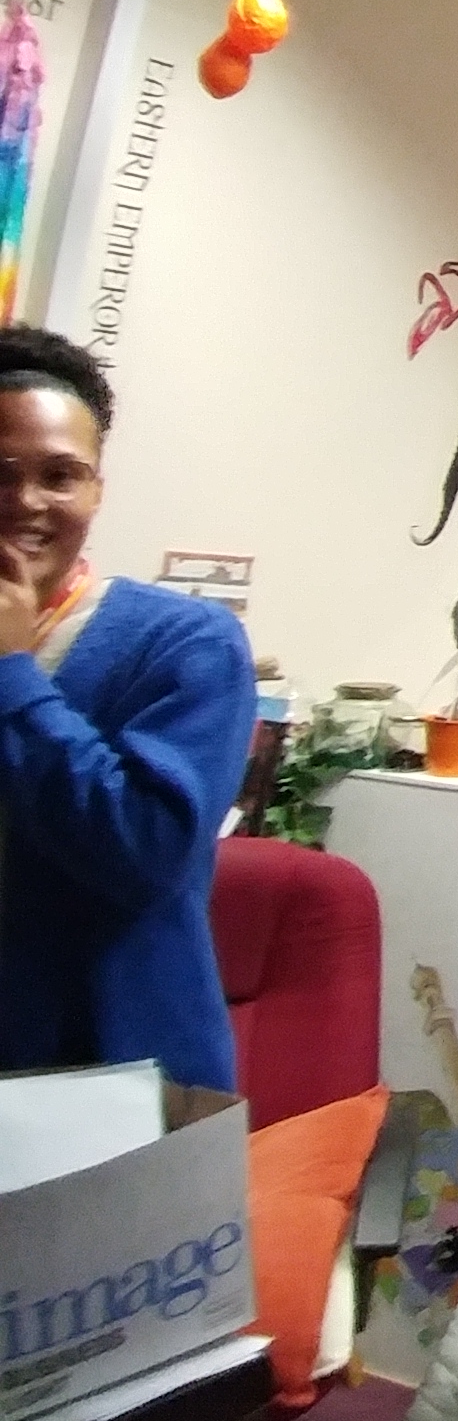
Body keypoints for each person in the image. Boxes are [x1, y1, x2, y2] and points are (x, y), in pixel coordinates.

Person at [0, 326, 257, 1088]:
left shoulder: (186, 643)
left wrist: (12, 673)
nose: (26, 501)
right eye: (0, 473)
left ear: (97, 490)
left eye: (60, 475)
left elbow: (146, 851)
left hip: (108, 1085)